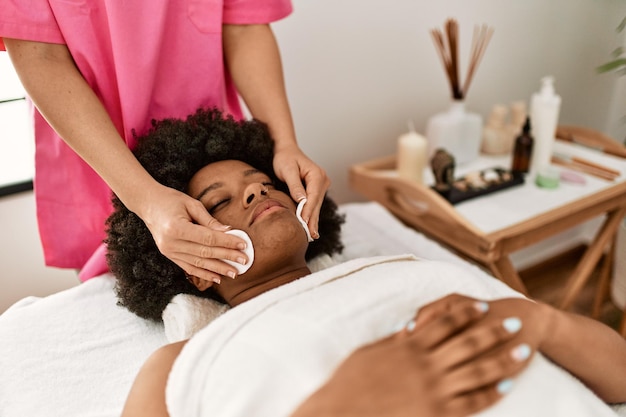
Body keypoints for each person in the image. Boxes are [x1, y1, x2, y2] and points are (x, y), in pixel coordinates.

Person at [107, 108, 626, 417]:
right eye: (220, 202)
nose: (257, 193)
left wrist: (539, 321)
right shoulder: (180, 362)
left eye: (264, 183)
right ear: (193, 263)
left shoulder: (402, 266)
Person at [0, 0, 329, 285]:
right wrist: (143, 200)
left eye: (267, 183)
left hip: (212, 139)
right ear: (199, 278)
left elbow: (245, 27)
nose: (259, 191)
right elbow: (40, 56)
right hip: (99, 161)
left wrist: (284, 143)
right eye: (214, 205)